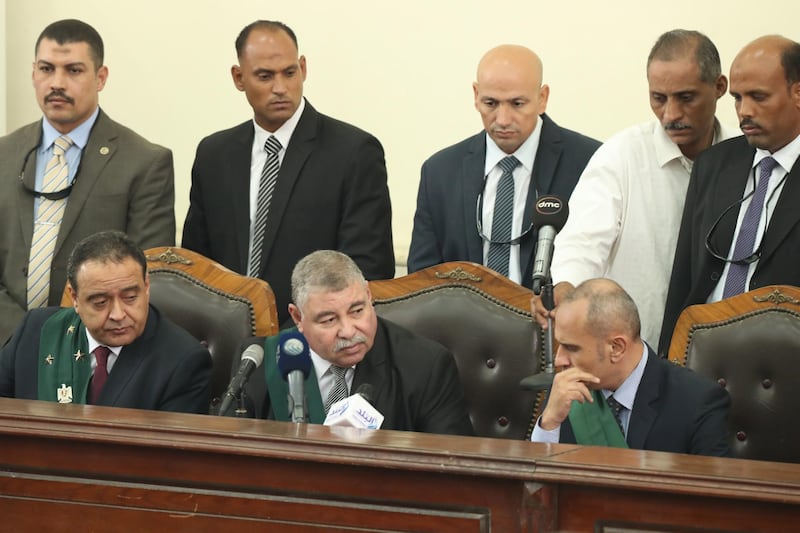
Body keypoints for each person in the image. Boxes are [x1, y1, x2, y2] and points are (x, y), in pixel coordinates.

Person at [533, 30, 737, 350]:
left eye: (685, 97)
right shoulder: (622, 155)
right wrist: (566, 288)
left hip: (722, 353)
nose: (670, 114)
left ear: (719, 87)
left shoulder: (746, 160)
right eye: (659, 98)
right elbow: (583, 241)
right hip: (634, 356)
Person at [182, 20, 395, 327]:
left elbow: (367, 268)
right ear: (239, 78)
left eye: (289, 72)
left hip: (314, 341)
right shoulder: (215, 154)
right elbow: (197, 264)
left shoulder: (353, 152)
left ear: (303, 68)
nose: (280, 88)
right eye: (265, 76)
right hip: (223, 340)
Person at [0, 19, 176, 345]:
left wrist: (63, 338)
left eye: (74, 70)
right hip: (5, 343)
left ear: (101, 77)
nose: (57, 83)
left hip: (94, 349)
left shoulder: (145, 162)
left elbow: (148, 274)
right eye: (46, 69)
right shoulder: (4, 154)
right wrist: (22, 336)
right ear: (33, 73)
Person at [407, 44, 600, 287]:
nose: (503, 119)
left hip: (552, 320)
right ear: (476, 95)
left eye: (517, 104)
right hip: (464, 322)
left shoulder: (590, 163)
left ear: (543, 99)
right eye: (491, 103)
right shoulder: (439, 172)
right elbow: (421, 279)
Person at [660, 35, 800, 353]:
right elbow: (684, 275)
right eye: (737, 98)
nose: (744, 111)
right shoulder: (714, 163)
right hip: (702, 348)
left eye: (759, 97)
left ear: (797, 92)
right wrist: (668, 366)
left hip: (781, 362)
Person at [251, 250, 474, 436]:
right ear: (298, 317)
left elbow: (452, 470)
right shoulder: (259, 362)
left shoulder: (426, 366)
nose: (348, 331)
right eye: (329, 320)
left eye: (357, 311)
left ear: (369, 296)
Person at [0, 231, 212, 413]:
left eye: (130, 297)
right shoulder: (37, 329)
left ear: (146, 287)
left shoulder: (184, 361)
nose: (118, 314)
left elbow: (169, 457)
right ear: (74, 297)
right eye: (101, 302)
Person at [530, 279, 730, 457]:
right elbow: (535, 490)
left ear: (616, 348)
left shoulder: (697, 402)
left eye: (572, 348)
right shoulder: (565, 392)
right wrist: (549, 424)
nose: (559, 360)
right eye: (560, 345)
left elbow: (716, 495)